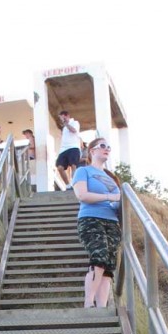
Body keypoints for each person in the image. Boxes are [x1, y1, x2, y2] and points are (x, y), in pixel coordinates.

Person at [72, 138, 122, 308]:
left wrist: (117, 201)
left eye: (109, 146)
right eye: (102, 146)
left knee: (108, 266)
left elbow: (119, 201)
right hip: (90, 219)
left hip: (112, 222)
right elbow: (82, 195)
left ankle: (102, 308)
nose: (106, 149)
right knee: (99, 258)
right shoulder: (83, 171)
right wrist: (110, 197)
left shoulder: (111, 177)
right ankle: (89, 303)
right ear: (92, 151)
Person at [56, 110, 81, 187]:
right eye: (61, 119)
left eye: (63, 118)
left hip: (73, 147)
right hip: (63, 149)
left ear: (67, 116)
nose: (62, 120)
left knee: (73, 166)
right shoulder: (64, 128)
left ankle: (75, 184)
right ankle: (68, 185)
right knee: (59, 167)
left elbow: (74, 130)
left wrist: (66, 123)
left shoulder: (75, 123)